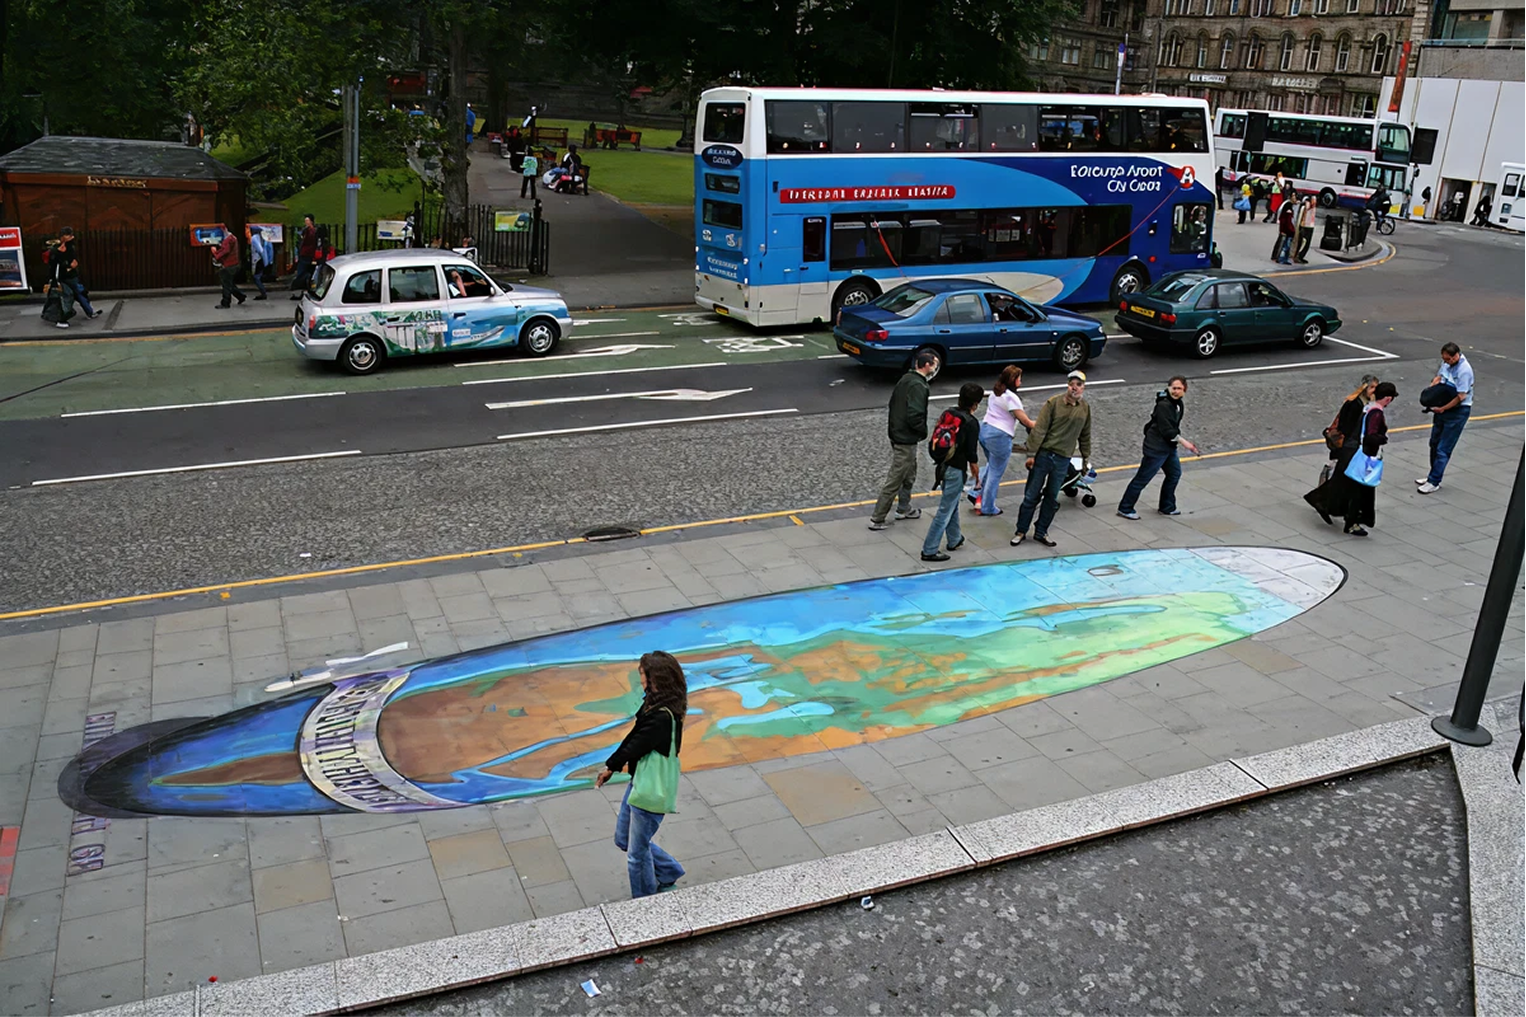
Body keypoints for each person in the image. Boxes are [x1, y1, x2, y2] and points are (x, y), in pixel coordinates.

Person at [594, 651, 687, 899]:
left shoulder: (661, 718)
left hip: (650, 790)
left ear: (655, 678)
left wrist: (611, 767)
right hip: (641, 782)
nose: (641, 681)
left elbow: (636, 743)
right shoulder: (656, 704)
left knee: (636, 855)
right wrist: (612, 766)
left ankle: (645, 902)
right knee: (623, 838)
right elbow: (636, 734)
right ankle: (668, 870)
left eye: (643, 676)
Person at [1011, 370, 1093, 550]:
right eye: (1072, 384)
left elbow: (1085, 435)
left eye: (1079, 385)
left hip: (1063, 458)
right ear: (1068, 385)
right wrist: (1031, 454)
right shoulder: (1054, 403)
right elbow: (1039, 429)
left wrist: (1086, 458)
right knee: (1031, 495)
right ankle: (1021, 531)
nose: (1075, 388)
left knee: (1051, 497)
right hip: (1044, 455)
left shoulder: (1085, 408)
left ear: (1083, 388)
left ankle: (1041, 531)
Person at [1304, 382, 1396, 536]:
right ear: (1387, 398)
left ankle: (1323, 502)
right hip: (1361, 455)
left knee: (1344, 484)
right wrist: (1382, 438)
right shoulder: (1377, 413)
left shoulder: (1368, 407)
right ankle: (1351, 522)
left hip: (1351, 450)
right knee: (1357, 490)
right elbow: (1371, 436)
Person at [869, 351, 937, 531]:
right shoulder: (918, 386)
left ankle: (903, 508)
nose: (936, 368)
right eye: (934, 364)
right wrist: (922, 431)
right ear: (927, 365)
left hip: (898, 433)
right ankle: (878, 518)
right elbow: (915, 414)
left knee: (909, 474)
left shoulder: (906, 379)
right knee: (896, 477)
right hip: (905, 438)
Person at [1116, 376, 1201, 520]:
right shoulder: (1164, 406)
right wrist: (1186, 443)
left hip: (1168, 448)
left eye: (1179, 388)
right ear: (1169, 388)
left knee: (1174, 474)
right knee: (1142, 478)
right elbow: (1167, 430)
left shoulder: (1178, 404)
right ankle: (1125, 507)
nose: (1175, 391)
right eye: (1173, 388)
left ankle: (1167, 506)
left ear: (1184, 390)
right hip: (1156, 449)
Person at [921, 382, 984, 563]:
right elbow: (972, 453)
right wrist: (975, 472)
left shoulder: (949, 413)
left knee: (952, 502)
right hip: (956, 470)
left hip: (942, 466)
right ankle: (929, 549)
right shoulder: (971, 423)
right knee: (945, 510)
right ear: (975, 404)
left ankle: (955, 538)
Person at [967, 365, 1036, 517]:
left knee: (992, 465)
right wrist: (1043, 423)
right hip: (1000, 435)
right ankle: (988, 507)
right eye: (1019, 379)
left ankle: (975, 491)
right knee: (996, 472)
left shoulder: (995, 393)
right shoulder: (1011, 398)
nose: (1021, 382)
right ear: (1014, 381)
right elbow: (1026, 421)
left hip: (984, 430)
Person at [1418, 342, 1474, 494]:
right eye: (1444, 359)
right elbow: (1439, 377)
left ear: (1456, 356)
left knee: (1443, 448)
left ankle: (1434, 481)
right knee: (1434, 443)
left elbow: (1461, 397)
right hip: (1442, 406)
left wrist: (1443, 409)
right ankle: (1432, 474)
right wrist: (1432, 391)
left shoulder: (1464, 371)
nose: (1446, 362)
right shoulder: (1446, 364)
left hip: (1457, 411)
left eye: (1449, 359)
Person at [51, 227, 99, 320]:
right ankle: (62, 318)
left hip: (72, 277)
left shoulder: (70, 248)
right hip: (62, 278)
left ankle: (89, 312)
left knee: (80, 294)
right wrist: (68, 266)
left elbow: (74, 262)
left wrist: (70, 266)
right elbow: (56, 264)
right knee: (68, 297)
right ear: (62, 238)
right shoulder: (56, 251)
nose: (70, 241)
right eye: (67, 238)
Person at [211, 226, 246, 309]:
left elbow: (225, 251)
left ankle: (225, 303)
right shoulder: (233, 238)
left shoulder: (228, 240)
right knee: (229, 283)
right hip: (235, 264)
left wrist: (215, 253)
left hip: (228, 265)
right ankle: (240, 296)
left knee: (226, 284)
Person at [290, 215, 317, 299]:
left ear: (311, 221)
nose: (306, 222)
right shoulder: (307, 230)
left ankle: (303, 287)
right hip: (305, 254)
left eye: (307, 220)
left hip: (306, 254)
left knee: (302, 272)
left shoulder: (310, 231)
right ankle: (304, 289)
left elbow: (309, 242)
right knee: (302, 271)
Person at [247, 226, 272, 300]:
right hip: (262, 259)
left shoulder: (254, 238)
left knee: (256, 277)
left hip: (257, 259)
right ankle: (263, 292)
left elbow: (260, 249)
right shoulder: (261, 237)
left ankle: (263, 292)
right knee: (258, 276)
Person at [1273, 194, 1297, 264]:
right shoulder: (1288, 207)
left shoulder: (1286, 204)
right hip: (1288, 230)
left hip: (1287, 230)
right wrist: (1287, 230)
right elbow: (1287, 220)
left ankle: (1281, 258)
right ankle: (1282, 259)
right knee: (1286, 246)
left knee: (1285, 245)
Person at [1294, 192, 1316, 263]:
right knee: (1303, 242)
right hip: (1305, 225)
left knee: (1306, 243)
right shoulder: (1306, 206)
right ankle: (1298, 256)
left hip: (1310, 225)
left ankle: (1301, 256)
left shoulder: (1312, 207)